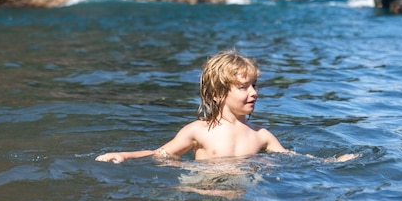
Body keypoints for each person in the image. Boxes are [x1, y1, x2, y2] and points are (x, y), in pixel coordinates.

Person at [95, 50, 356, 163]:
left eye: (254, 85)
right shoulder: (199, 130)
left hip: (244, 193)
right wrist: (125, 155)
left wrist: (330, 161)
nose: (253, 92)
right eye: (243, 87)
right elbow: (160, 154)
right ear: (219, 94)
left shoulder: (261, 135)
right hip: (203, 188)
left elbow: (291, 158)